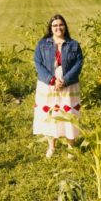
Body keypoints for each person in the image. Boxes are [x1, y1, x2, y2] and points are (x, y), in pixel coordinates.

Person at [33, 14, 83, 157]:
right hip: (48, 86)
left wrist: (65, 80)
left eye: (61, 25)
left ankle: (71, 147)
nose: (58, 28)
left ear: (65, 26)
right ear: (50, 28)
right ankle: (51, 147)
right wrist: (52, 80)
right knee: (51, 115)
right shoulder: (42, 44)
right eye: (55, 25)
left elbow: (78, 64)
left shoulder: (74, 45)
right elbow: (38, 63)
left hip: (68, 86)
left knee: (69, 114)